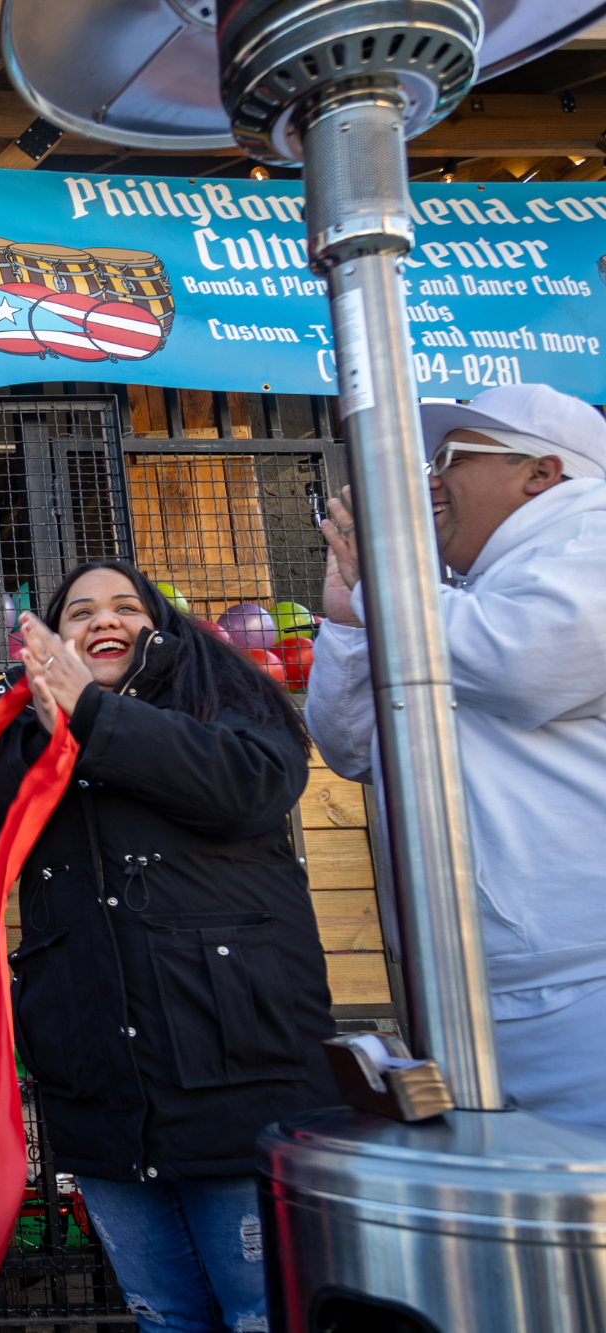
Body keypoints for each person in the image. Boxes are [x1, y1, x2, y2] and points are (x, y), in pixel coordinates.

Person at [0, 559, 338, 1333]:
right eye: (78, 612)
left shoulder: (225, 694)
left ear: (162, 624)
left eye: (124, 606)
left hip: (235, 1069)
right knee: (165, 1316)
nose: (102, 620)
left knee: (264, 1314)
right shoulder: (30, 735)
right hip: (101, 1087)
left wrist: (92, 715)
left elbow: (251, 784)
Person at [306, 383, 606, 1135]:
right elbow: (351, 748)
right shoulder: (451, 597)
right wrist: (346, 622)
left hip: (584, 982)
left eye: (450, 459)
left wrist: (387, 587)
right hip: (477, 987)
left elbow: (525, 661)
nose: (427, 481)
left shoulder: (592, 540)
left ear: (541, 474)